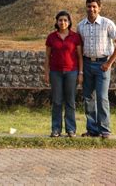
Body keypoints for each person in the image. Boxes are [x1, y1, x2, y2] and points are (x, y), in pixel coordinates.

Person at [77, 0, 116, 139]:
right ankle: (92, 130)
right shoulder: (81, 26)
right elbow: (79, 48)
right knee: (88, 98)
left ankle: (104, 130)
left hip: (102, 64)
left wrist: (109, 63)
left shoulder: (107, 23)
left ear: (99, 8)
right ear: (85, 7)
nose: (91, 9)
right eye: (89, 6)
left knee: (102, 97)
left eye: (94, 6)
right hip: (86, 64)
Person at [44, 10, 83, 138]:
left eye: (65, 20)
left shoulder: (75, 36)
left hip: (71, 71)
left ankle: (71, 129)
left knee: (70, 101)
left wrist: (80, 73)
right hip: (56, 72)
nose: (63, 22)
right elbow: (47, 57)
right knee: (57, 101)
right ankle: (56, 129)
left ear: (69, 22)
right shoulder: (51, 37)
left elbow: (79, 56)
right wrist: (46, 73)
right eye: (60, 20)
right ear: (56, 22)